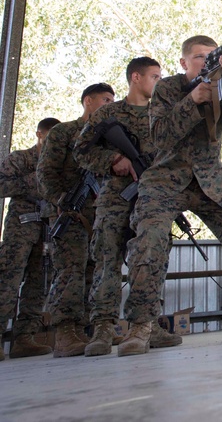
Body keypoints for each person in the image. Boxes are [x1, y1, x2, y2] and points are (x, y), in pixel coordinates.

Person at [118, 36, 222, 356]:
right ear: (184, 63)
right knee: (148, 240)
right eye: (200, 57)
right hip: (165, 179)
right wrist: (192, 101)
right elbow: (160, 136)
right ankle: (141, 327)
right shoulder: (167, 89)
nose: (206, 62)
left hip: (210, 178)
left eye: (211, 56)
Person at [74, 57, 181, 355]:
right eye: (155, 76)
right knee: (107, 260)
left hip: (152, 199)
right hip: (113, 199)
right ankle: (103, 330)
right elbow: (80, 150)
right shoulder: (109, 113)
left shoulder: (162, 115)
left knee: (151, 259)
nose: (159, 82)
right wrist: (114, 160)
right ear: (136, 77)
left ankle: (146, 325)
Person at [37, 82, 116, 357]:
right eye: (105, 99)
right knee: (70, 269)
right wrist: (61, 201)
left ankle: (91, 329)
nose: (109, 104)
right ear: (88, 101)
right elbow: (45, 173)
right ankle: (65, 332)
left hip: (99, 215)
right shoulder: (64, 133)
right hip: (69, 212)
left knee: (97, 270)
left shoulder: (109, 137)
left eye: (112, 100)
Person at [0, 117, 60, 360]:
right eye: (49, 137)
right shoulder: (21, 158)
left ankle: (25, 338)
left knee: (39, 283)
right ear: (39, 134)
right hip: (20, 228)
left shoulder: (56, 165)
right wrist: (32, 181)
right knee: (8, 280)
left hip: (46, 229)